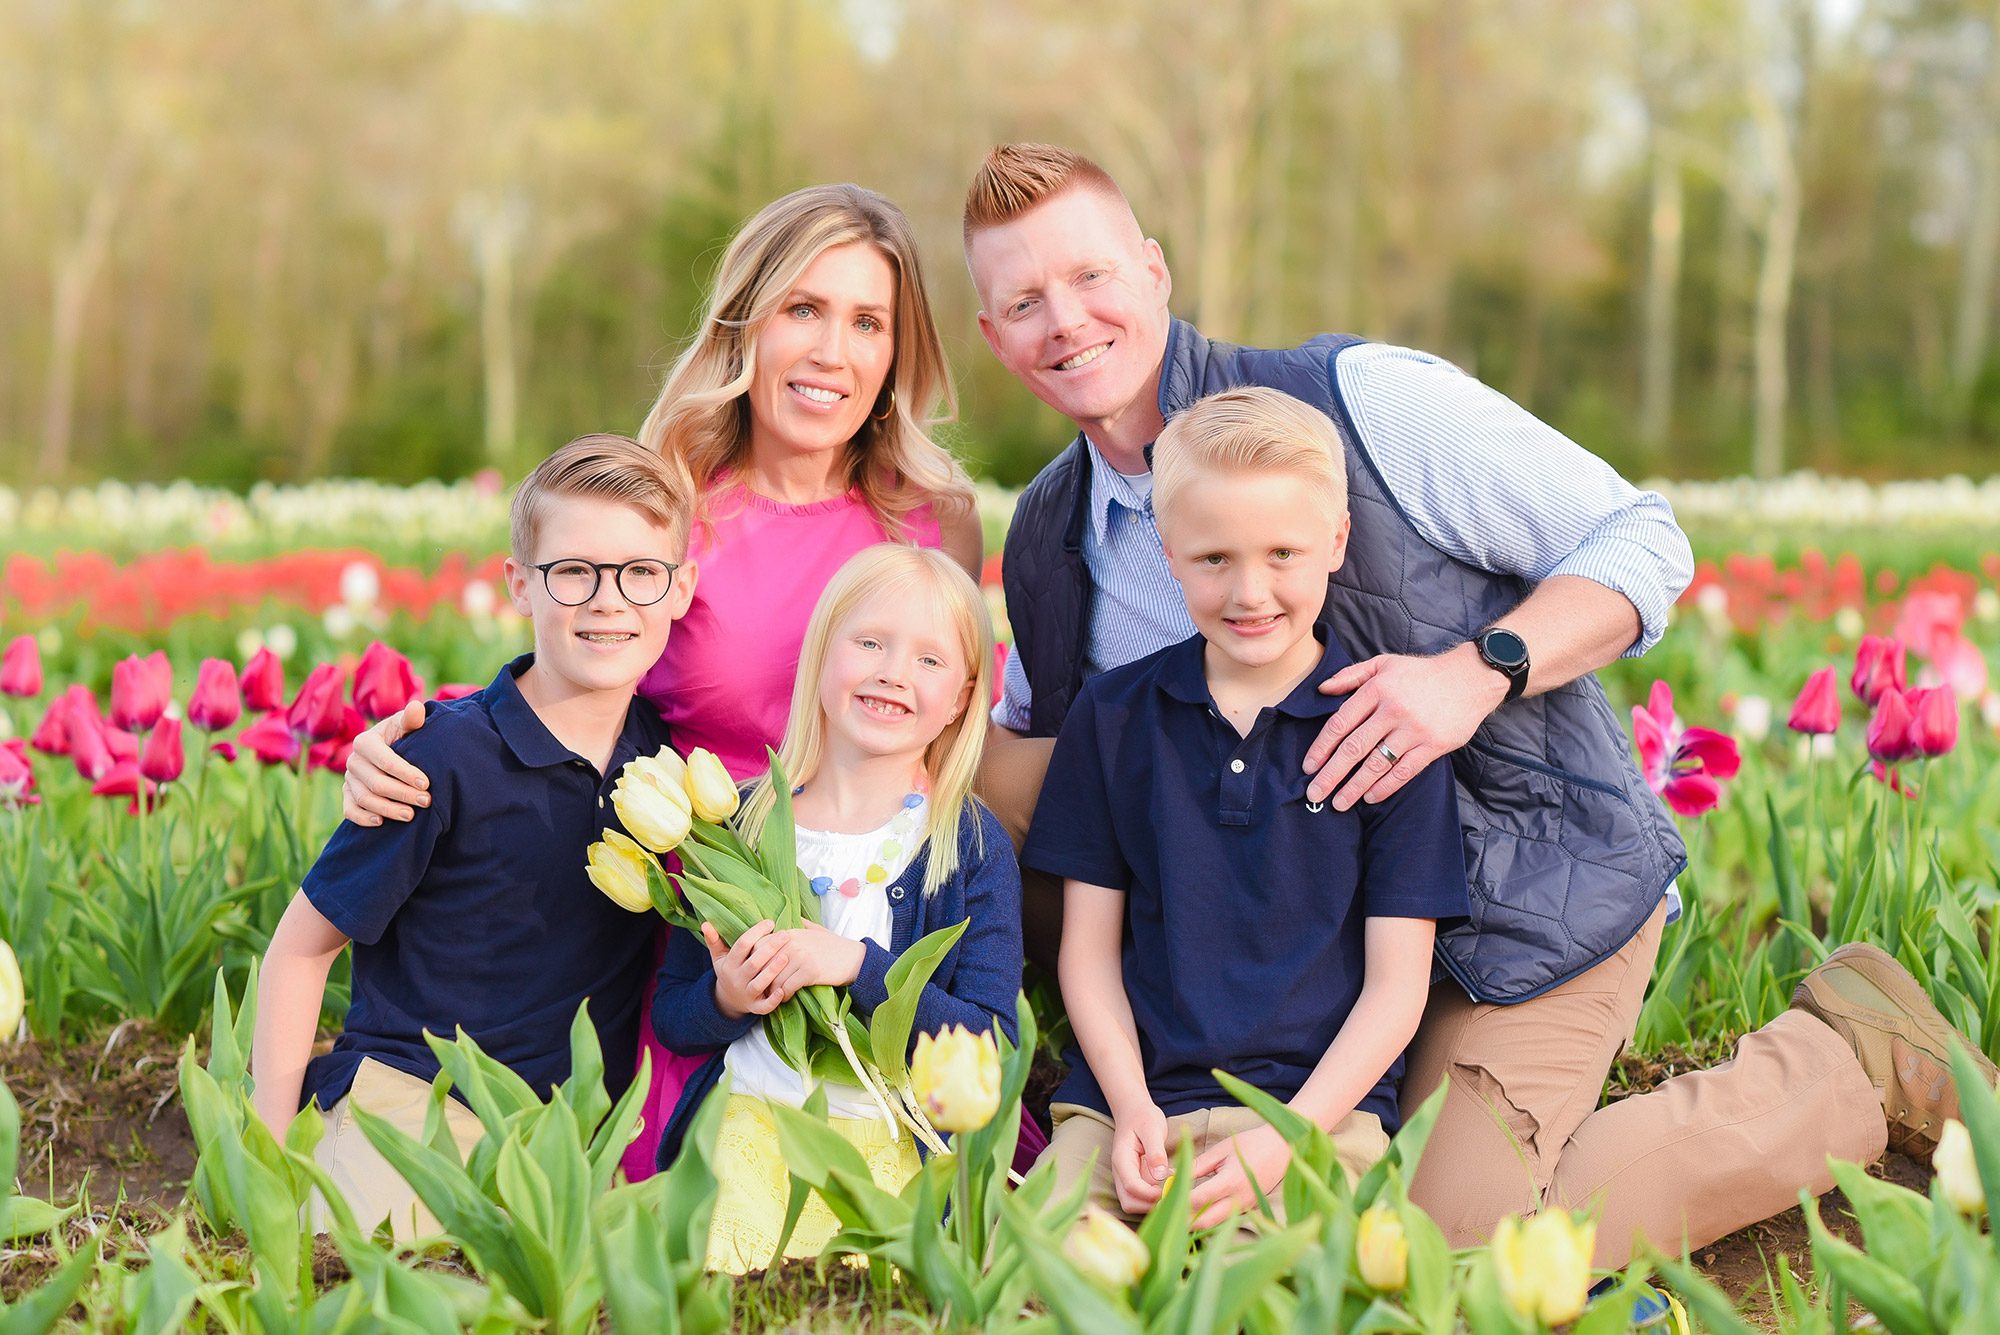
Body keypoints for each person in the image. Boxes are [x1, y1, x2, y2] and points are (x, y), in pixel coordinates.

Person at [962, 141, 1995, 1267]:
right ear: (993, 337)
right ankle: (993, 1105)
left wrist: (1472, 672)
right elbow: (1041, 771)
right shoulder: (1051, 540)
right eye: (1022, 300)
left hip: (1512, 906)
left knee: (1447, 1246)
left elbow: (1643, 540)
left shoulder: (1361, 404)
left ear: (1154, 271)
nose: (1064, 321)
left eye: (1090, 277)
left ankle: (1839, 1064)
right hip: (1303, 960)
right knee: (968, 768)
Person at [338, 184, 994, 1179]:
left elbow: (956, 731)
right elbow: (580, 663)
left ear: (897, 352)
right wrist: (420, 737)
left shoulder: (928, 514)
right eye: (802, 310)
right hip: (704, 918)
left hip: (880, 908)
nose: (832, 352)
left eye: (867, 322)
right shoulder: (676, 497)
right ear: (748, 322)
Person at [1024, 388, 1469, 1228]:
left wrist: (1286, 1137)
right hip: (1129, 1111)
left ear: (1335, 540)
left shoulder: (1388, 731)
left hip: (1320, 1122)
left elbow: (1396, 990)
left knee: (1273, 1298)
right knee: (1043, 1280)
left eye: (1282, 553)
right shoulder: (1114, 719)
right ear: (1168, 554)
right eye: (1214, 558)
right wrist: (1128, 1110)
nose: (1250, 590)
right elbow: (1086, 955)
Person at [250, 435, 697, 1239]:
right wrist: (267, 1154)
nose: (608, 600)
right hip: (415, 1102)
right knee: (388, 1271)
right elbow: (301, 948)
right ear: (519, 585)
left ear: (680, 588)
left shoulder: (666, 768)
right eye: (573, 571)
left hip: (571, 1139)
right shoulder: (440, 756)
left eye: (639, 572)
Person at [652, 544, 1023, 1273]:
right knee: (726, 1287)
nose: (892, 671)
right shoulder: (740, 823)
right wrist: (728, 996)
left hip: (895, 1145)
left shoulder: (967, 844)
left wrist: (856, 965)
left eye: (929, 659)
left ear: (962, 697)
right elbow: (674, 1013)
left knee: (872, 1295)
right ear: (821, 658)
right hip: (752, 1130)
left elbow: (992, 1043)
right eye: (871, 643)